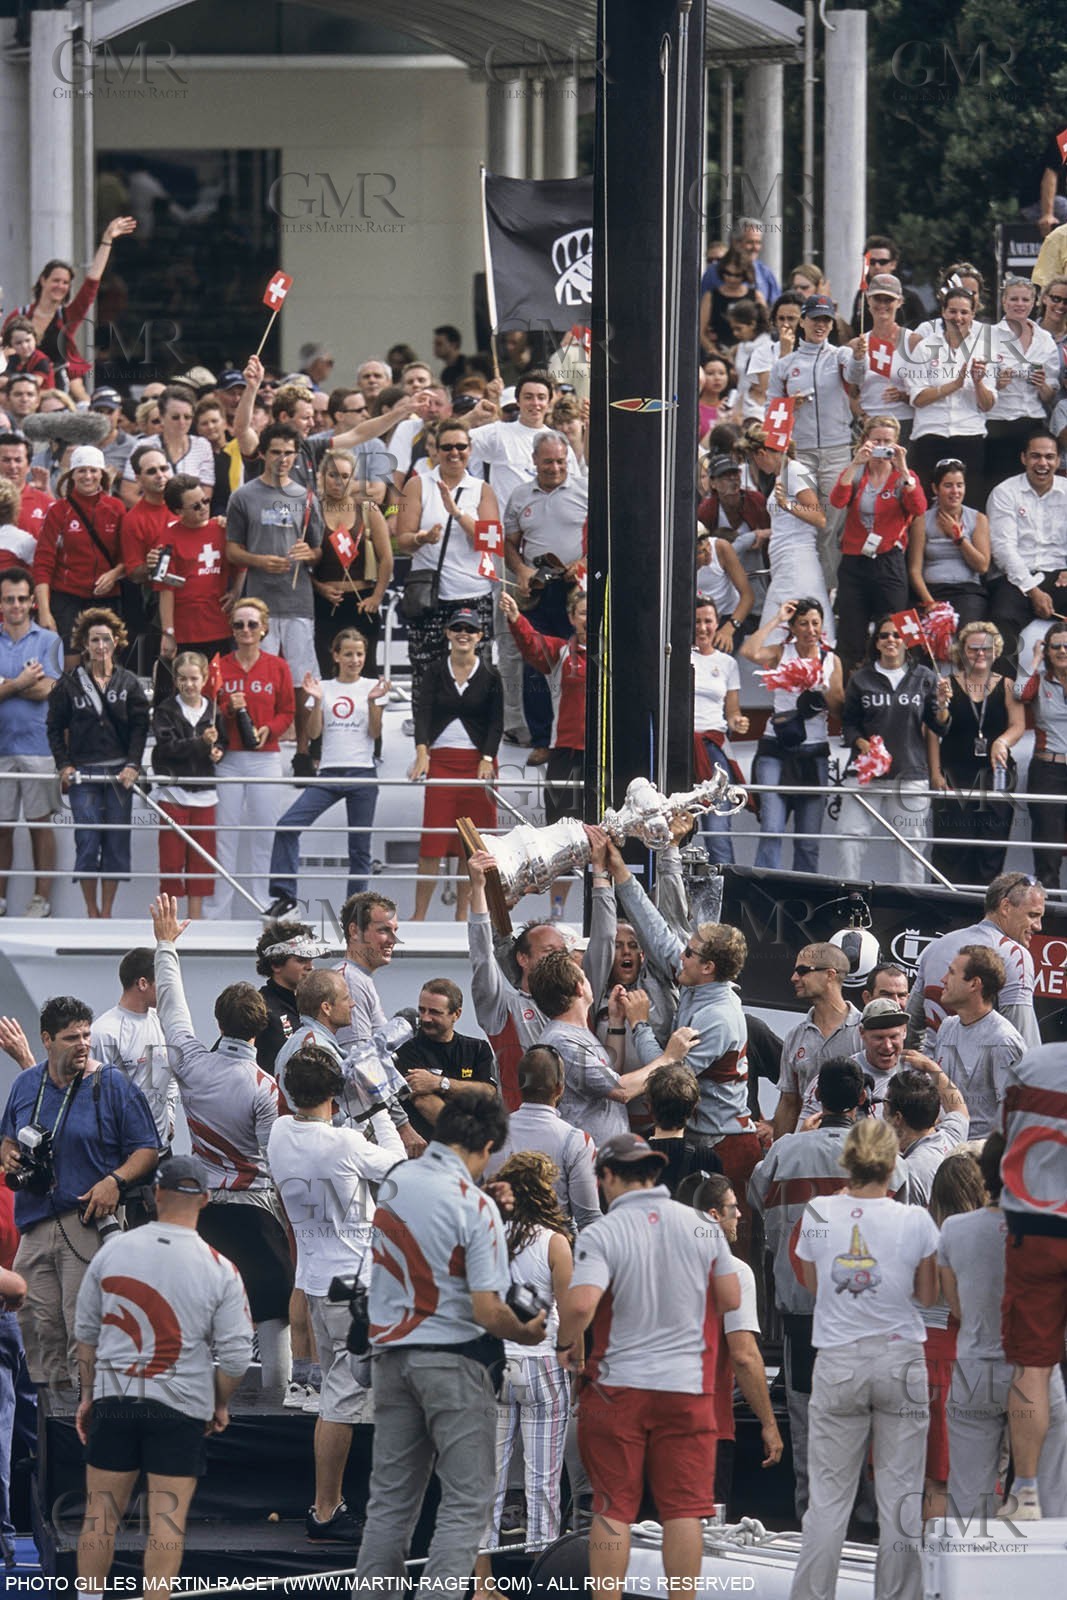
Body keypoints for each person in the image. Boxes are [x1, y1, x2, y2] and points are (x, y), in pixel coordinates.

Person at [352, 1092, 547, 1591]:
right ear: (487, 1145)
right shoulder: (474, 1206)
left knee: (390, 1504)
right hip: (455, 1363)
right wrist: (528, 1330)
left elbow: (432, 1230)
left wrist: (482, 1198)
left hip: (390, 1357)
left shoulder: (396, 1183)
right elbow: (488, 1311)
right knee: (465, 1503)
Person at [556, 1133, 740, 1596]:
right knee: (685, 1510)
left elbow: (580, 1305)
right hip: (687, 1388)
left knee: (612, 1507)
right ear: (654, 1173)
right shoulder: (702, 1225)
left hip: (618, 1389)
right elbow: (730, 1298)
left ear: (606, 1177)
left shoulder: (603, 1232)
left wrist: (565, 1342)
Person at [73, 1155, 251, 1598]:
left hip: (115, 1398)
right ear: (206, 1200)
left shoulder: (113, 1251)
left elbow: (87, 1334)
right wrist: (218, 1402)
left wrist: (89, 1395)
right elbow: (235, 1357)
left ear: (155, 1195)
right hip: (180, 1405)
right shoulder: (219, 1267)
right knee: (166, 1525)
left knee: (99, 1517)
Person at [751, 1058, 909, 1520]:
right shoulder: (883, 1158)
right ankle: (866, 1522)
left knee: (810, 1422)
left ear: (817, 1097)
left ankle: (815, 1520)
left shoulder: (784, 1152)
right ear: (862, 1099)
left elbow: (755, 1200)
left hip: (803, 1315)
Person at [789, 1118, 939, 1600]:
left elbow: (813, 1285)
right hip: (900, 1357)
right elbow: (927, 1294)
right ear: (893, 1163)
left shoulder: (818, 1211)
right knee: (901, 1500)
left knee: (828, 1502)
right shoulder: (915, 1219)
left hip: (838, 1359)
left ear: (847, 1160)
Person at [151, 894, 293, 1401]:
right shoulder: (265, 1087)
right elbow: (276, 1162)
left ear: (218, 1023)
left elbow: (171, 1006)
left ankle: (192, 1406)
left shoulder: (190, 1061)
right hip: (257, 1215)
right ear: (261, 1028)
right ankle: (278, 1410)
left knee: (200, 1315)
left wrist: (165, 945)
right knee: (273, 1312)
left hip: (204, 1214)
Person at [268, 1044, 404, 1542]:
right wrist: (377, 1107)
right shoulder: (345, 1143)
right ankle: (326, 1510)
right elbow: (401, 1166)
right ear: (334, 1093)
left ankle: (343, 1502)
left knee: (339, 1396)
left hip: (315, 1284)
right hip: (355, 1289)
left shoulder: (280, 1133)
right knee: (342, 1404)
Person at [0, 995, 158, 1404]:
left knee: (84, 1330)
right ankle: (51, 1428)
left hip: (85, 1220)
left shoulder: (111, 1084)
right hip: (34, 1223)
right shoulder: (26, 1083)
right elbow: (8, 1138)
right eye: (72, 1037)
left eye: (86, 1035)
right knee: (37, 1333)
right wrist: (9, 1153)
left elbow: (147, 1149)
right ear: (47, 1040)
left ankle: (86, 1417)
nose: (83, 1044)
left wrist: (115, 1181)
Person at [603, 840, 761, 1226]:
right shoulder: (698, 982)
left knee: (724, 1242)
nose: (681, 955)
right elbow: (656, 933)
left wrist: (639, 1022)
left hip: (724, 1145)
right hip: (701, 1139)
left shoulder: (717, 1016)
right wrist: (620, 871)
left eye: (689, 952)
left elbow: (667, 1080)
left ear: (708, 967)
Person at [940, 1132, 1067, 1525]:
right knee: (1049, 1493)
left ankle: (967, 1563)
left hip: (975, 1367)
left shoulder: (954, 1229)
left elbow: (956, 1307)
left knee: (966, 1495)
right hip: (1035, 1370)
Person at [473, 1150, 573, 1579]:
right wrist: (575, 1357)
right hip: (543, 1362)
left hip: (496, 1363)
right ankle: (541, 1578)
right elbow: (571, 1313)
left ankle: (482, 1582)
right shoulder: (555, 1241)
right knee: (543, 1480)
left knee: (487, 1478)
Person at [266, 628, 388, 917]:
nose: (355, 660)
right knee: (287, 825)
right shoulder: (323, 687)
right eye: (348, 654)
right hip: (329, 773)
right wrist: (318, 701)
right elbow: (313, 734)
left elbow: (375, 733)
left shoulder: (372, 686)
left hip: (362, 774)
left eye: (360, 654)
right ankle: (285, 897)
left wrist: (373, 702)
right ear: (336, 656)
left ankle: (355, 912)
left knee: (359, 849)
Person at [224, 423, 323, 775]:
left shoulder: (306, 497)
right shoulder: (243, 496)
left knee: (301, 680)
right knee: (258, 675)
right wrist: (259, 561)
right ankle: (257, 742)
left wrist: (308, 554)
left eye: (289, 453)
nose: (283, 459)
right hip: (258, 602)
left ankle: (303, 751)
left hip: (298, 600)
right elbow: (232, 550)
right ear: (263, 454)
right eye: (277, 452)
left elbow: (318, 550)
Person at [528, 948, 697, 1149]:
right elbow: (621, 1090)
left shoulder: (574, 1032)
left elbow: (608, 1075)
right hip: (591, 1157)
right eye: (584, 976)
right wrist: (669, 1058)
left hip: (604, 1153)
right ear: (579, 988)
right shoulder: (563, 1042)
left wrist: (616, 1022)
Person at [997, 1039, 1067, 1520]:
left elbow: (1004, 1133)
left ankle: (1025, 1493)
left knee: (1032, 1367)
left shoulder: (1033, 1064)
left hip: (1035, 1225)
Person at [46, 608, 149, 920]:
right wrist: (64, 765)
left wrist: (133, 764)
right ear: (85, 644)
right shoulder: (68, 683)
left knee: (116, 842)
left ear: (116, 641)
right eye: (94, 640)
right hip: (84, 773)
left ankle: (107, 912)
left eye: (106, 639)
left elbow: (140, 728)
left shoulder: (129, 682)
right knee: (87, 841)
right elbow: (53, 728)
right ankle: (91, 911)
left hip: (120, 774)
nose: (101, 646)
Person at [836, 613, 951, 886]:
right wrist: (862, 744)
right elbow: (848, 724)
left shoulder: (925, 677)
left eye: (897, 635)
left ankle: (912, 902)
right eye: (884, 635)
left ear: (906, 641)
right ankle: (847, 898)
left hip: (910, 774)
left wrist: (943, 704)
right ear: (876, 642)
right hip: (866, 776)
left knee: (912, 846)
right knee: (848, 839)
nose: (891, 640)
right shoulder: (860, 678)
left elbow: (939, 726)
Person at [395, 417, 501, 710]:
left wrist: (457, 513)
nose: (455, 453)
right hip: (430, 596)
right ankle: (425, 736)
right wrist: (422, 538)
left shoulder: (481, 489)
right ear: (435, 451)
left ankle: (473, 736)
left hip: (472, 594)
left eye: (461, 447)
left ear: (470, 450)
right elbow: (403, 540)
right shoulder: (417, 485)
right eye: (447, 447)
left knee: (476, 677)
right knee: (426, 673)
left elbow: (491, 542)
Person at [692, 1172, 784, 1502]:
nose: (740, 1214)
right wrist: (769, 1423)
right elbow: (743, 1355)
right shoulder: (734, 1272)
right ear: (714, 1215)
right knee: (705, 1525)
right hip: (708, 1425)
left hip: (654, 1424)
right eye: (733, 1207)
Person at [409, 607, 502, 921]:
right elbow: (422, 712)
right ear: (448, 633)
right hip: (442, 762)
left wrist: (487, 758)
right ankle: (419, 915)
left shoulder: (491, 675)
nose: (464, 633)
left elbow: (496, 723)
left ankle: (464, 915)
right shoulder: (435, 671)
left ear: (480, 636)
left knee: (472, 846)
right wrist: (422, 752)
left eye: (470, 629)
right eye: (458, 628)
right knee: (432, 843)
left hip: (478, 764)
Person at [501, 429, 588, 764]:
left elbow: (604, 535)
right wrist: (521, 570)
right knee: (535, 663)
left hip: (576, 591)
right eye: (548, 461)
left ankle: (580, 739)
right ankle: (541, 740)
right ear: (534, 460)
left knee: (580, 663)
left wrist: (583, 562)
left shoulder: (585, 490)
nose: (555, 468)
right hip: (537, 589)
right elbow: (510, 543)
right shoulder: (520, 495)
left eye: (561, 461)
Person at [208, 599, 295, 919]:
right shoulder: (218, 666)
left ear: (264, 629)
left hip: (265, 758)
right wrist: (228, 709)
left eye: (252, 624)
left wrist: (269, 730)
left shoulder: (278, 666)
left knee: (265, 833)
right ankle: (219, 910)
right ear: (232, 630)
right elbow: (207, 710)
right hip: (229, 759)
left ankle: (264, 903)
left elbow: (288, 711)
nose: (246, 630)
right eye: (239, 624)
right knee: (224, 836)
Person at [742, 597, 842, 874]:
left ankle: (803, 896)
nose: (810, 629)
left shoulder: (830, 659)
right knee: (772, 830)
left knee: (808, 841)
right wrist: (777, 619)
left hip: (814, 751)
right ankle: (764, 890)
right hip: (776, 747)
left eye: (815, 623)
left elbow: (839, 709)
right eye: (803, 624)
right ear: (794, 628)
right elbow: (749, 651)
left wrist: (822, 689)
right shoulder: (781, 652)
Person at [928, 621, 1025, 885]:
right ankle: (948, 904)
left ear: (996, 651)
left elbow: (1018, 725)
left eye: (986, 648)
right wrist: (935, 772)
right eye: (973, 649)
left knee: (991, 848)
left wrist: (1002, 741)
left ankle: (985, 904)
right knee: (952, 847)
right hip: (954, 773)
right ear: (962, 651)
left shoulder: (1007, 685)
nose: (980, 654)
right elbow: (933, 730)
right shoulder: (946, 685)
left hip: (995, 775)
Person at [905, 870, 1046, 1053]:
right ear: (1005, 907)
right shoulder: (1014, 955)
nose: (1038, 926)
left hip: (931, 1067)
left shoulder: (936, 946)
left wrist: (924, 1065)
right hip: (979, 1070)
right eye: (1033, 915)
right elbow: (1024, 1045)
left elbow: (909, 1026)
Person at [829, 416, 927, 676]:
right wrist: (855, 463)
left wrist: (903, 468)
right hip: (854, 560)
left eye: (887, 442)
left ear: (897, 444)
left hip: (888, 559)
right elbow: (837, 500)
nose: (882, 447)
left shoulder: (903, 477)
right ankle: (849, 685)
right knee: (851, 630)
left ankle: (905, 680)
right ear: (865, 441)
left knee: (896, 625)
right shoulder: (856, 473)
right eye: (876, 441)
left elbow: (918, 507)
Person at [768, 294, 854, 581]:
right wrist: (790, 405)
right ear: (803, 321)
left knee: (829, 526)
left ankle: (826, 589)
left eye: (826, 320)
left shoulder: (840, 356)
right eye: (816, 319)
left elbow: (857, 376)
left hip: (836, 451)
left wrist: (860, 356)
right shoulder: (784, 365)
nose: (821, 325)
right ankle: (803, 585)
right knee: (804, 523)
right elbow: (771, 412)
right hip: (800, 455)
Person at [2, 218, 136, 397]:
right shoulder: (19, 315)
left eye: (65, 282)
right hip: (22, 390)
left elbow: (92, 283)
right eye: (56, 280)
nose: (60, 286)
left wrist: (107, 240)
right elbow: (3, 348)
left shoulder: (67, 316)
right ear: (43, 280)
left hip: (59, 389)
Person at [0, 566, 63, 917]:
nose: (16, 605)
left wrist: (7, 684)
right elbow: (35, 686)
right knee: (1, 828)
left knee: (41, 825)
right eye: (9, 599)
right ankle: (0, 899)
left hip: (40, 746)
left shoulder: (49, 641)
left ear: (31, 603)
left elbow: (50, 689)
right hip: (1, 749)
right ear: (1, 603)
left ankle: (42, 900)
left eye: (22, 599)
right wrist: (24, 681)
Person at [913, 946, 1024, 1141]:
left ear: (974, 984)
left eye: (952, 972)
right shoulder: (947, 1026)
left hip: (977, 1155)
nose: (943, 979)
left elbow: (1017, 1118)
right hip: (943, 1146)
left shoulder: (1003, 1041)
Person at [485, 1045, 600, 1231]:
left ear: (520, 1086)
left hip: (501, 1241)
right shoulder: (577, 1141)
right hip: (557, 1242)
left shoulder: (491, 1133)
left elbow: (477, 1199)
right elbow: (588, 1219)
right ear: (559, 1088)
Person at [151, 651, 227, 920]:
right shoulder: (165, 711)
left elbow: (223, 742)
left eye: (194, 678)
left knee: (201, 862)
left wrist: (217, 751)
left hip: (205, 795)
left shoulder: (214, 709)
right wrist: (201, 743)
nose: (189, 684)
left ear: (205, 678)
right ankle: (170, 922)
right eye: (182, 679)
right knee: (171, 861)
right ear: (175, 680)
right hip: (173, 794)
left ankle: (195, 921)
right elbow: (168, 748)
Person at [737, 428, 833, 639]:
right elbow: (789, 523)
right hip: (785, 559)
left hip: (796, 562)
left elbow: (819, 518)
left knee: (777, 629)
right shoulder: (785, 474)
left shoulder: (795, 472)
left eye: (754, 460)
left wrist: (787, 505)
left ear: (762, 453)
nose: (757, 466)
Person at [33, 447, 125, 664]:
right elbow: (43, 562)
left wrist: (114, 574)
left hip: (105, 597)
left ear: (102, 474)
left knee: (104, 663)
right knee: (70, 664)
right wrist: (44, 611)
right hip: (67, 597)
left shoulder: (116, 508)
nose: (88, 476)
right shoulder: (59, 510)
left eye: (93, 470)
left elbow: (128, 557)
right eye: (81, 470)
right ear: (71, 475)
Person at [906, 286, 995, 500]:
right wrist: (954, 385)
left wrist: (978, 383)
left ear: (973, 314)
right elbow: (918, 399)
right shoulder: (925, 348)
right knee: (926, 502)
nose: (958, 317)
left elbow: (987, 405)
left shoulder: (984, 349)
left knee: (969, 502)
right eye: (953, 311)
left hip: (969, 435)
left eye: (964, 312)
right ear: (943, 312)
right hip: (930, 434)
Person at [987, 430, 1067, 667]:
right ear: (1023, 458)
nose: (1043, 463)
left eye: (1049, 457)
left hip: (1060, 574)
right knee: (1001, 622)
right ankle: (1006, 687)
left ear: (1059, 460)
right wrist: (1032, 590)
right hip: (1017, 578)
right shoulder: (1005, 492)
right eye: (1035, 456)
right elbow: (1003, 549)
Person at [311, 450, 393, 678]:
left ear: (354, 479)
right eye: (333, 475)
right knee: (328, 670)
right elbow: (301, 560)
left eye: (345, 476)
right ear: (322, 477)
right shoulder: (312, 511)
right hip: (325, 603)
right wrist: (319, 587)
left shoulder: (367, 509)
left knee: (365, 670)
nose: (339, 482)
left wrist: (376, 597)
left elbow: (386, 558)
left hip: (361, 602)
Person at [91, 948, 178, 1156]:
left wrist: (170, 1116)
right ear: (143, 983)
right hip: (125, 1156)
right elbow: (96, 1100)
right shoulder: (104, 1033)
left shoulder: (161, 1021)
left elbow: (170, 1075)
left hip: (163, 1151)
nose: (168, 989)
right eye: (162, 981)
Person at [773, 943, 862, 1136]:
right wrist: (779, 1149)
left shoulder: (863, 1031)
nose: (794, 977)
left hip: (853, 1147)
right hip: (807, 1146)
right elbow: (788, 1102)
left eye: (802, 971)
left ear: (830, 974)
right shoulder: (795, 1036)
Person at [395, 979, 498, 1140]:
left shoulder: (477, 1049)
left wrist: (440, 1083)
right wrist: (467, 1137)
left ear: (456, 1014)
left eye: (434, 1012)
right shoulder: (407, 1050)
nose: (426, 1018)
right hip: (430, 1145)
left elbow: (488, 1093)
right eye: (422, 1010)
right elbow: (424, 1101)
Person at [156, 475, 238, 668]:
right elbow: (165, 588)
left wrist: (236, 592)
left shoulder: (223, 529)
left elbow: (241, 566)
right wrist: (168, 632)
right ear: (179, 511)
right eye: (195, 506)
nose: (203, 508)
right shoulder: (168, 537)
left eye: (205, 501)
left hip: (220, 625)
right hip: (186, 630)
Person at [691, 596, 749, 864]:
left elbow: (732, 712)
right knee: (675, 823)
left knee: (718, 825)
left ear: (717, 624)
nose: (703, 628)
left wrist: (738, 722)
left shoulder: (728, 663)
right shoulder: (676, 656)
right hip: (680, 746)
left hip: (714, 747)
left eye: (708, 621)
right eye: (697, 621)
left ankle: (726, 886)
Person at [987, 277, 1061, 485]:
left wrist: (1042, 384)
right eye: (1014, 299)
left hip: (1033, 421)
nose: (1019, 304)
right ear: (1004, 301)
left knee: (1031, 483)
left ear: (1034, 302)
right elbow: (979, 385)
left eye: (1025, 299)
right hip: (998, 421)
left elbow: (1050, 394)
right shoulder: (989, 336)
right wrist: (997, 384)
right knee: (999, 483)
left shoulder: (1045, 339)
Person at [906, 457, 991, 629]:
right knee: (918, 632)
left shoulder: (978, 519)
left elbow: (982, 566)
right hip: (932, 591)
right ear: (935, 488)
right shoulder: (922, 521)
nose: (955, 491)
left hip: (967, 592)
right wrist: (930, 603)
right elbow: (914, 570)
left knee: (967, 632)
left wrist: (959, 539)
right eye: (948, 485)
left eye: (960, 485)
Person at [1016, 620, 1067, 889]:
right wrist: (1034, 660)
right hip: (1049, 771)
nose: (1062, 651)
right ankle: (1052, 911)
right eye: (1055, 646)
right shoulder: (1039, 680)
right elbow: (1018, 692)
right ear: (1047, 650)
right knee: (1048, 851)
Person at [883, 1064, 969, 1209]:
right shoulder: (952, 1137)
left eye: (885, 1103)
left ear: (897, 1117)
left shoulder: (908, 1173)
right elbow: (958, 1107)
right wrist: (932, 1068)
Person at [843, 273, 917, 439]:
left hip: (904, 424)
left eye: (888, 300)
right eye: (877, 299)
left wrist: (903, 396)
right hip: (869, 425)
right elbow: (850, 392)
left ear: (899, 302)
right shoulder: (856, 345)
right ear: (868, 301)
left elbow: (926, 390)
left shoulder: (913, 342)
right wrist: (862, 417)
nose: (882, 305)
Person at [120, 384, 215, 504]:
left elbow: (206, 494)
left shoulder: (202, 446)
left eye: (187, 417)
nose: (182, 422)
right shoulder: (143, 445)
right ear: (162, 417)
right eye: (175, 417)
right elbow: (128, 494)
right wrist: (161, 512)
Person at [253, 919, 317, 1073]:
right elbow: (225, 1058)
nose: (310, 966)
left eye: (311, 959)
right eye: (301, 960)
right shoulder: (258, 1007)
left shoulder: (313, 1004)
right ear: (276, 964)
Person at [849, 997, 909, 1111]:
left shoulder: (919, 1073)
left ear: (904, 1031)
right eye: (879, 1038)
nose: (887, 1046)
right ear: (862, 1033)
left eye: (893, 1037)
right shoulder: (842, 1074)